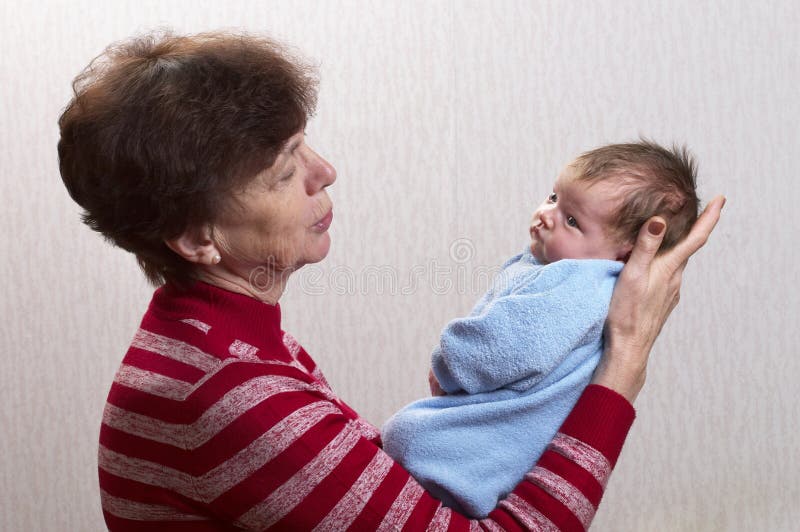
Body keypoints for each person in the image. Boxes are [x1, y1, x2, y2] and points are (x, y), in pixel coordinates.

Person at [57, 30, 724, 531]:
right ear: (198, 239)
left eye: (304, 143)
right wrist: (626, 358)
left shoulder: (224, 345)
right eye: (285, 169)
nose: (325, 171)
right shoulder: (231, 395)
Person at [382, 141, 700, 518]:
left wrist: (450, 363)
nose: (547, 215)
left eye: (572, 221)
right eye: (554, 198)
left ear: (625, 252)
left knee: (414, 437)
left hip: (470, 462)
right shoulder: (560, 272)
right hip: (492, 459)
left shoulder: (580, 284)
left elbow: (505, 348)